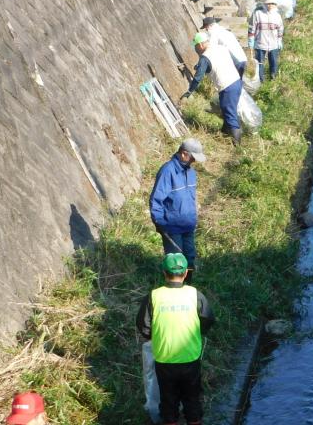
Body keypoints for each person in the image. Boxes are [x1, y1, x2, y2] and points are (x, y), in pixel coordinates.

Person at [136, 253, 215, 425]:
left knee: (168, 400)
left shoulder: (154, 296)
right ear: (186, 273)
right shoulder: (195, 295)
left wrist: (154, 336)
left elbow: (143, 325)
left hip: (164, 360)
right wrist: (196, 332)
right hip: (190, 358)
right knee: (192, 398)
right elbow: (208, 319)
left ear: (164, 273)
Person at [149, 139, 205, 274]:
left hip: (188, 226)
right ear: (184, 154)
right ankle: (173, 290)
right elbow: (156, 200)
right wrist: (161, 224)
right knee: (176, 264)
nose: (194, 161)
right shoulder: (167, 171)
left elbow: (190, 198)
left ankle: (188, 288)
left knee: (189, 260)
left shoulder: (191, 173)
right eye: (193, 158)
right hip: (172, 228)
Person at [182, 32, 244, 144]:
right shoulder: (221, 48)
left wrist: (189, 92)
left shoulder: (205, 58)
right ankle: (225, 132)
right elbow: (233, 63)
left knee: (230, 112)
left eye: (195, 47)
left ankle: (237, 146)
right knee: (226, 109)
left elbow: (197, 78)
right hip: (236, 82)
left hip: (227, 87)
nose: (195, 49)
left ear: (200, 45)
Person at [249, 0, 284, 81]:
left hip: (273, 44)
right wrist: (251, 40)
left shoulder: (277, 16)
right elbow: (252, 27)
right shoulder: (258, 14)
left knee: (274, 62)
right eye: (268, 3)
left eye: (272, 3)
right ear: (265, 3)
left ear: (275, 4)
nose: (270, 5)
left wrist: (279, 40)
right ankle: (261, 80)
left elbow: (280, 29)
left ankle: (273, 78)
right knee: (259, 62)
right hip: (260, 43)